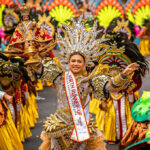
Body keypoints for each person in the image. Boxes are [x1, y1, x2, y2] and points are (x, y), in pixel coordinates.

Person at [39, 16, 139, 150]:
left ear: (85, 63)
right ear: (68, 62)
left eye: (79, 61)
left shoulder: (90, 80)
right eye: (73, 61)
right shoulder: (59, 77)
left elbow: (109, 85)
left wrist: (123, 74)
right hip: (59, 125)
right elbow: (40, 70)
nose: (75, 64)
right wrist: (32, 54)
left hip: (80, 126)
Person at [89, 32, 149, 144]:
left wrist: (131, 102)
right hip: (110, 99)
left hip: (124, 98)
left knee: (124, 117)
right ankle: (112, 136)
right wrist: (102, 101)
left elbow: (132, 87)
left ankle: (125, 136)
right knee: (111, 117)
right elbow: (103, 88)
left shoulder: (128, 75)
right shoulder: (105, 74)